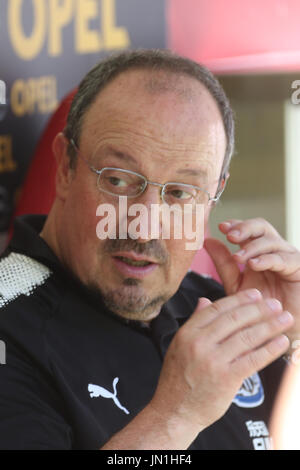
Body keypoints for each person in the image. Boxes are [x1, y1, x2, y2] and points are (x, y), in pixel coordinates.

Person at [0, 49, 299, 450]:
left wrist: (291, 339)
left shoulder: (219, 306)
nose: (145, 225)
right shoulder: (11, 323)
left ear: (212, 199)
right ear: (65, 168)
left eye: (180, 192)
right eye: (120, 181)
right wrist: (175, 418)